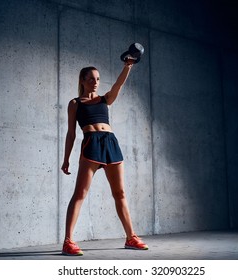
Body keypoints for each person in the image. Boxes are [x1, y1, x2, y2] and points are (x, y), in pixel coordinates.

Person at [61, 60, 148, 256]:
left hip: (110, 143)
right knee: (80, 194)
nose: (95, 82)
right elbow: (71, 134)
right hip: (91, 144)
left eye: (98, 79)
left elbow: (118, 84)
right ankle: (68, 241)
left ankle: (131, 237)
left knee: (120, 194)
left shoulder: (105, 100)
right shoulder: (75, 103)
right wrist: (66, 159)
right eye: (91, 79)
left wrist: (128, 66)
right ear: (83, 80)